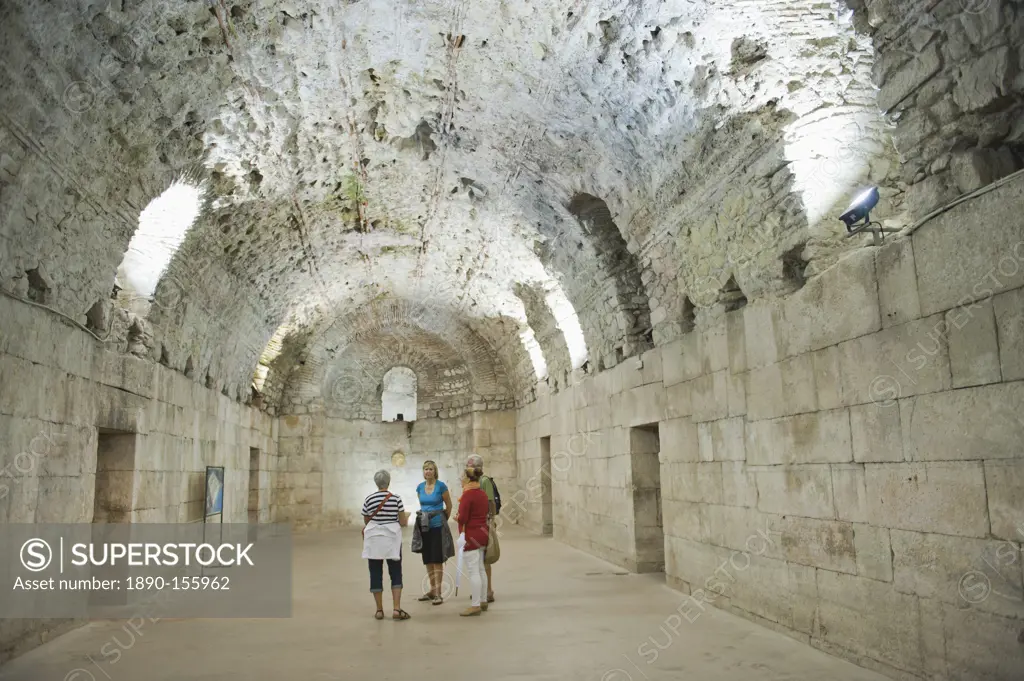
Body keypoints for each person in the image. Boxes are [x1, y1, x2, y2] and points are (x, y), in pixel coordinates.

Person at [361, 469, 411, 621]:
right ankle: (396, 609)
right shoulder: (396, 498)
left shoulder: (369, 499)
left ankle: (379, 610)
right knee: (395, 572)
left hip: (374, 540)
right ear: (388, 482)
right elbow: (402, 521)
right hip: (392, 539)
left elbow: (367, 521)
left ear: (376, 482)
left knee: (375, 572)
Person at [415, 460, 453, 604]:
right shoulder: (419, 487)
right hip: (425, 527)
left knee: (437, 559)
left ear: (435, 471)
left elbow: (449, 505)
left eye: (430, 469)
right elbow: (423, 505)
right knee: (428, 559)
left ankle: (438, 592)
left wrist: (443, 519)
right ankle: (432, 589)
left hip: (437, 526)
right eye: (425, 469)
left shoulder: (441, 486)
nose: (428, 471)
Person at [456, 458, 490, 616]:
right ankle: (483, 600)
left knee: (473, 571)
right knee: (481, 569)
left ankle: (475, 605)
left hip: (471, 535)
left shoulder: (467, 495)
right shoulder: (482, 493)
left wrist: (457, 518)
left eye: (462, 477)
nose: (461, 480)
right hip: (483, 533)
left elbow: (463, 518)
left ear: (468, 478)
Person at [470, 454, 497, 603]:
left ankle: (488, 590)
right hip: (473, 523)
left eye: (470, 465)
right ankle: (479, 589)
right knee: (475, 559)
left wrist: (491, 520)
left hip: (483, 522)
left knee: (485, 558)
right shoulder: (470, 481)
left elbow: (490, 502)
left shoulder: (484, 481)